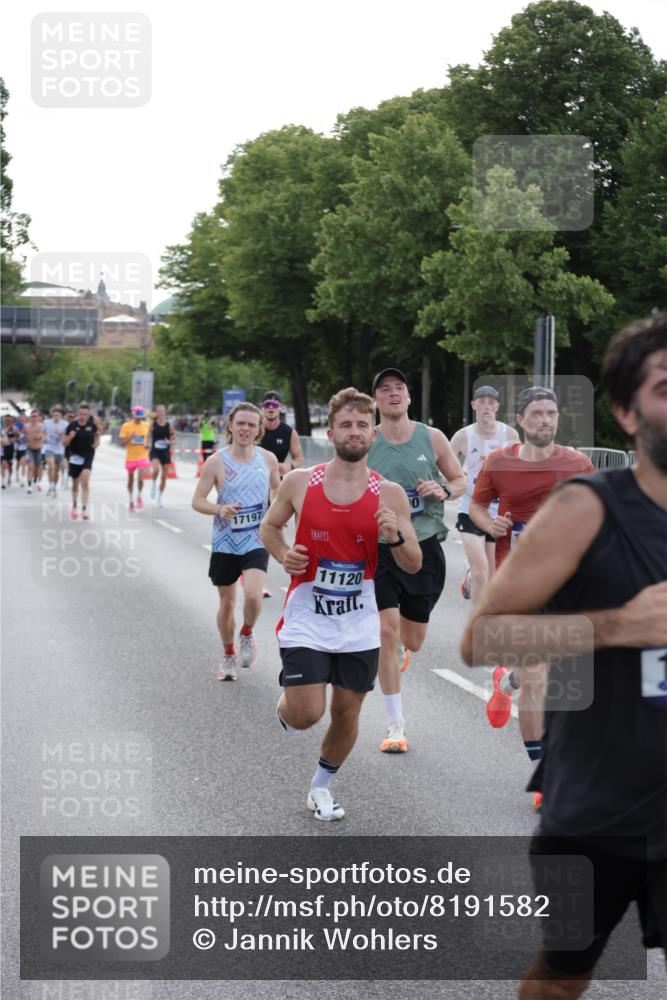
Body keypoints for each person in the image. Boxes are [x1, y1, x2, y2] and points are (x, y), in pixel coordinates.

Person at [462, 313, 667, 998]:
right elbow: (482, 638)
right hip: (598, 806)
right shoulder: (587, 507)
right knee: (562, 974)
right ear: (624, 412)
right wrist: (611, 627)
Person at [261, 387, 422, 820]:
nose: (355, 432)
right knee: (306, 714)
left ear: (374, 435)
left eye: (362, 426)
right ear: (330, 432)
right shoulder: (300, 482)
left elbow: (412, 564)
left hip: (359, 622)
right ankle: (288, 708)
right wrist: (283, 554)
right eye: (346, 425)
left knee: (347, 713)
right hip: (307, 616)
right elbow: (270, 527)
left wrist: (396, 536)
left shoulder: (389, 495)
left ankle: (321, 787)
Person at [468, 386, 595, 809]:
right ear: (520, 420)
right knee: (540, 678)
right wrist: (492, 525)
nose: (546, 420)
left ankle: (506, 682)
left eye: (552, 413)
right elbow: (476, 508)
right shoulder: (498, 461)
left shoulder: (577, 463)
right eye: (537, 413)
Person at [367, 368, 466, 753]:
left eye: (399, 389)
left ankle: (405, 648)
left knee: (413, 639)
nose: (393, 394)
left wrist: (442, 489)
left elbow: (459, 481)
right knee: (385, 633)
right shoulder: (367, 439)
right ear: (376, 399)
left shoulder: (432, 437)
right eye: (384, 389)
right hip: (377, 549)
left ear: (409, 398)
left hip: (423, 546)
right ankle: (396, 726)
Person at [192, 402, 279, 680]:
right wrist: (220, 509)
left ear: (258, 429)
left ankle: (246, 634)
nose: (245, 429)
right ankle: (228, 654)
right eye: (240, 423)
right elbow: (197, 500)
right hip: (226, 542)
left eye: (251, 424)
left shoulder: (267, 459)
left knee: (253, 595)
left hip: (256, 538)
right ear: (230, 425)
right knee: (227, 604)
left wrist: (275, 513)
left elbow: (276, 489)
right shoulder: (216, 461)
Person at [450, 386, 519, 605]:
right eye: (482, 401)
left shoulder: (509, 435)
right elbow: (446, 468)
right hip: (470, 507)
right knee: (482, 571)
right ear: (473, 405)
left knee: (490, 574)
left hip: (496, 513)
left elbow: (518, 471)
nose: (486, 407)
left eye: (491, 402)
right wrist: (456, 478)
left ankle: (470, 579)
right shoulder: (462, 436)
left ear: (498, 406)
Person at [62, 401, 99, 520]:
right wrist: (70, 437)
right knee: (75, 483)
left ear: (88, 415)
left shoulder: (91, 425)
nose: (83, 416)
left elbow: (97, 434)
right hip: (74, 456)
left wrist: (97, 443)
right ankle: (74, 505)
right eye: (81, 414)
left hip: (88, 455)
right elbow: (65, 443)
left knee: (85, 480)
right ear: (78, 413)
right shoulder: (71, 426)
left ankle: (84, 509)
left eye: (85, 414)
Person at [260, 391, 304, 476]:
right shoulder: (254, 429)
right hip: (255, 477)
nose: (271, 408)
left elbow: (299, 458)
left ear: (280, 407)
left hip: (277, 478)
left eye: (275, 405)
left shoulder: (289, 432)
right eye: (267, 405)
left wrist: (289, 466)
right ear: (262, 408)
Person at [119, 406, 152, 512]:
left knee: (141, 479)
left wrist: (148, 444)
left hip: (142, 456)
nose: (139, 418)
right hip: (131, 457)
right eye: (137, 416)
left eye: (141, 416)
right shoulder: (126, 426)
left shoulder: (146, 425)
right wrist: (130, 437)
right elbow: (122, 443)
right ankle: (131, 500)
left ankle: (139, 495)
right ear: (133, 415)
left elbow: (148, 438)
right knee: (130, 480)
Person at [149, 404, 176, 507]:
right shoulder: (153, 424)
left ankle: (159, 498)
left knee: (164, 477)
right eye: (159, 411)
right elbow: (148, 436)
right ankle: (153, 484)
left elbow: (174, 439)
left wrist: (169, 442)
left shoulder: (169, 426)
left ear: (165, 413)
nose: (161, 413)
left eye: (162, 411)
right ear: (156, 413)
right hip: (155, 451)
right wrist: (147, 443)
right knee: (156, 470)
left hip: (165, 452)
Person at [43, 405, 67, 497]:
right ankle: (50, 485)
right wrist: (45, 438)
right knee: (51, 465)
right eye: (54, 415)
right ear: (52, 415)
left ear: (61, 415)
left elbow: (66, 437)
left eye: (58, 415)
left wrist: (60, 434)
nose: (56, 416)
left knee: (56, 471)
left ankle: (54, 486)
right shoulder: (47, 422)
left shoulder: (65, 424)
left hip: (60, 450)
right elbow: (42, 433)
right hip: (49, 448)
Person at [23, 410, 45, 494]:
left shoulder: (41, 426)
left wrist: (39, 437)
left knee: (39, 466)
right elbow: (22, 437)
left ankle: (38, 482)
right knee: (30, 467)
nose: (34, 418)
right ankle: (29, 486)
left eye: (35, 416)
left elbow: (43, 437)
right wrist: (26, 438)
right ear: (30, 417)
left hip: (38, 449)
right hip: (29, 449)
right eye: (32, 416)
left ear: (38, 417)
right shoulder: (26, 426)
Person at [1, 415, 17, 488]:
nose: (7, 422)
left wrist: (13, 439)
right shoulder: (1, 429)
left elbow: (17, 437)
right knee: (3, 464)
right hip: (2, 449)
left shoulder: (13, 429)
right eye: (6, 420)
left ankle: (9, 476)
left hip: (10, 449)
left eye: (8, 420)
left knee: (10, 465)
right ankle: (3, 481)